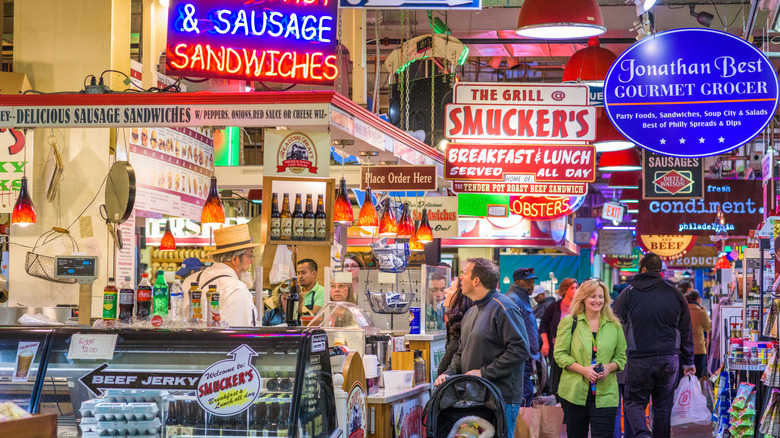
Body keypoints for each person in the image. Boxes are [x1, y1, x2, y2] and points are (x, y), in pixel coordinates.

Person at [434, 258, 530, 438]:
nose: (461, 278)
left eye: (464, 273)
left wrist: (484, 372)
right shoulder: (472, 312)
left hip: (502, 399)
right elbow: (461, 351)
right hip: (476, 398)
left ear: (476, 280)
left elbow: (519, 349)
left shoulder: (505, 307)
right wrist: (449, 373)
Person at [613, 253, 695, 438]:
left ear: (642, 269)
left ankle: (642, 434)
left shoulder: (629, 293)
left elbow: (614, 323)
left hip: (638, 358)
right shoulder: (675, 293)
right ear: (659, 270)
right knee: (663, 407)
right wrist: (688, 361)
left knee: (634, 402)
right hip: (669, 360)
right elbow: (685, 330)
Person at [554, 279, 627, 438]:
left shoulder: (614, 325)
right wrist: (583, 370)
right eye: (592, 296)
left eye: (601, 297)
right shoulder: (569, 322)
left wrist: (609, 367)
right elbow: (559, 354)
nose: (597, 300)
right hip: (574, 393)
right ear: (583, 298)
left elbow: (621, 357)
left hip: (606, 394)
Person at [182, 224, 258, 326]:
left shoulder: (190, 280)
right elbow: (236, 337)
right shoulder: (237, 290)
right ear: (235, 259)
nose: (251, 261)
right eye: (249, 255)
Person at [506, 267, 541, 406]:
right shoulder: (513, 300)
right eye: (529, 282)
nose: (532, 285)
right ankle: (522, 427)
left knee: (526, 393)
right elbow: (512, 331)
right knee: (524, 394)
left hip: (526, 355)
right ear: (519, 282)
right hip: (521, 356)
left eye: (532, 281)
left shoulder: (522, 298)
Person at [540, 278, 578, 397]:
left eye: (576, 288)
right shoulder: (555, 306)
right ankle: (558, 398)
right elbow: (543, 325)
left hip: (576, 347)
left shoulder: (580, 307)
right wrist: (545, 343)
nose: (575, 290)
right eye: (572, 288)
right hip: (557, 347)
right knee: (557, 374)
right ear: (564, 290)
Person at [436, 277, 475, 376]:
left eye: (451, 288)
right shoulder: (454, 323)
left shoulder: (463, 325)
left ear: (460, 297)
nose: (445, 291)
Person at [685, 290, 712, 378]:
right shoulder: (701, 312)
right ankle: (696, 391)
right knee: (698, 375)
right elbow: (708, 327)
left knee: (685, 375)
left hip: (684, 349)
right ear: (697, 299)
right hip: (698, 349)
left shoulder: (683, 311)